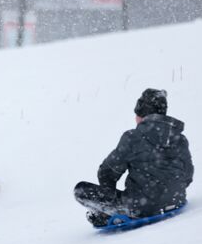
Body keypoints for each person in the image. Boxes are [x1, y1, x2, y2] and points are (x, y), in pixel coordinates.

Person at [74, 88, 194, 227]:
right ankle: (161, 202)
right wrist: (170, 192)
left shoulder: (133, 137)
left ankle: (110, 215)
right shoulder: (180, 138)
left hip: (142, 207)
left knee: (81, 190)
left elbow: (107, 171)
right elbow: (188, 175)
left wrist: (108, 202)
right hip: (176, 200)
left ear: (142, 112)